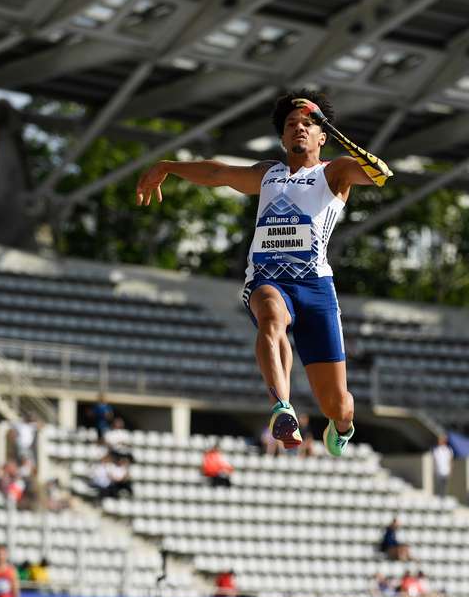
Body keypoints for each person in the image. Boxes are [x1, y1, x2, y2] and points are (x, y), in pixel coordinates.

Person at [136, 90, 392, 456]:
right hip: (268, 279)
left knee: (337, 404)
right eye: (291, 125)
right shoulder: (268, 174)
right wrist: (167, 166)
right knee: (271, 317)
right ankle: (282, 408)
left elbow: (379, 174)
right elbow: (218, 172)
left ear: (321, 135)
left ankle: (344, 424)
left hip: (316, 287)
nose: (299, 129)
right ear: (282, 137)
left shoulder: (334, 172)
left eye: (307, 124)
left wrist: (333, 131)